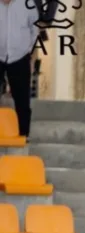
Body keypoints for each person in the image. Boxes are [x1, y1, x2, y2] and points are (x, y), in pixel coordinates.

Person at [0, 0, 38, 141]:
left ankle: (23, 135)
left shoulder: (27, 3)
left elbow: (35, 29)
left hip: (20, 56)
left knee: (22, 98)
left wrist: (30, 52)